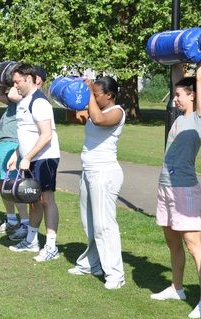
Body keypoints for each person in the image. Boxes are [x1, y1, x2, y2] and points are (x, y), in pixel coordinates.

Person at [150, 61, 201, 319]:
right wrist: (178, 59)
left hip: (185, 190)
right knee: (173, 243)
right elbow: (176, 76)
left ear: (193, 95)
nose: (175, 100)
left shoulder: (200, 118)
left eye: (179, 95)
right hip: (166, 187)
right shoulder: (180, 119)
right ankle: (177, 288)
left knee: (193, 245)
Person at [67, 76, 127, 290]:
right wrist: (70, 96)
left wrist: (88, 91)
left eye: (96, 93)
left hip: (105, 173)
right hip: (89, 172)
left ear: (109, 96)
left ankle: (116, 274)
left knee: (104, 225)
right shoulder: (94, 112)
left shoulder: (116, 112)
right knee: (90, 223)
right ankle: (91, 264)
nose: (92, 96)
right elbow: (75, 117)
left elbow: (100, 120)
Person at [7, 63, 61, 262]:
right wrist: (16, 154)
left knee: (46, 200)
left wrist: (28, 157)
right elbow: (26, 133)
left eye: (17, 82)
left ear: (29, 79)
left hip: (44, 158)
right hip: (29, 158)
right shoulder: (24, 101)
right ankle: (31, 241)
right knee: (33, 200)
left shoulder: (39, 103)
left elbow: (46, 135)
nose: (15, 86)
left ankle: (51, 246)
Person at [0, 67, 47, 240]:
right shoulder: (17, 98)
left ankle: (23, 223)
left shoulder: (28, 98)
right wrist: (3, 79)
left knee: (16, 186)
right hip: (4, 143)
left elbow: (12, 95)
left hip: (14, 143)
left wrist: (13, 81)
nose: (15, 84)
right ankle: (11, 220)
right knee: (3, 184)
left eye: (19, 80)